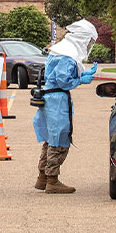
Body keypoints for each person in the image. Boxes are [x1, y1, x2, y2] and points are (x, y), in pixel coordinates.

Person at [32, 19, 99, 194]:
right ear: (83, 38)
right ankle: (52, 180)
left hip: (49, 97)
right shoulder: (67, 55)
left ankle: (42, 178)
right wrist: (81, 80)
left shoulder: (59, 50)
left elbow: (57, 75)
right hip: (57, 100)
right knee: (60, 138)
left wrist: (82, 74)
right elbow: (63, 80)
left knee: (50, 137)